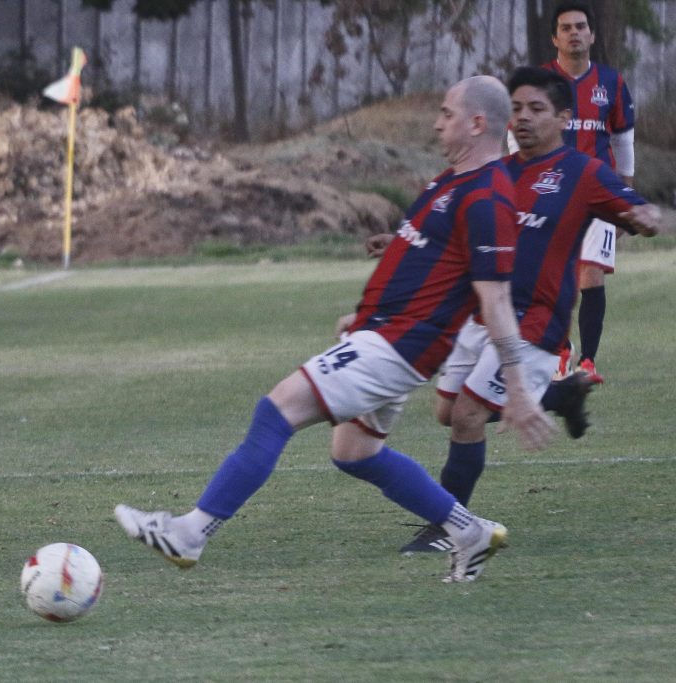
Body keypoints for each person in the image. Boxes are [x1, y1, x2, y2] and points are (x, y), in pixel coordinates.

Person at [115, 76, 559, 584]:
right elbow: (432, 262)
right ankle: (468, 531)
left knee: (276, 411)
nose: (437, 123)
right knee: (355, 453)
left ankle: (190, 533)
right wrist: (364, 316)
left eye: (446, 113)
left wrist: (517, 387)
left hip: (398, 346)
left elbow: (495, 298)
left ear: (477, 123)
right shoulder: (452, 182)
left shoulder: (488, 198)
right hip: (384, 334)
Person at [400, 67, 662, 554]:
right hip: (481, 311)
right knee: (446, 412)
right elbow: (442, 214)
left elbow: (638, 208)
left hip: (535, 319)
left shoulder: (582, 173)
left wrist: (645, 217)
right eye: (516, 108)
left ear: (563, 118)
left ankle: (449, 529)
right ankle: (559, 396)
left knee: (468, 414)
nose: (522, 117)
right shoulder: (493, 169)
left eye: (536, 109)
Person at [515, 2, 637, 384]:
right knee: (552, 275)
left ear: (592, 35)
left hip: (599, 193)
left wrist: (625, 197)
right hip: (549, 193)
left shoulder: (611, 82)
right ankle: (560, 348)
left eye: (581, 26)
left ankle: (588, 361)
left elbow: (623, 141)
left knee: (591, 273)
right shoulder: (539, 83)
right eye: (566, 27)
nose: (574, 33)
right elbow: (516, 135)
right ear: (554, 38)